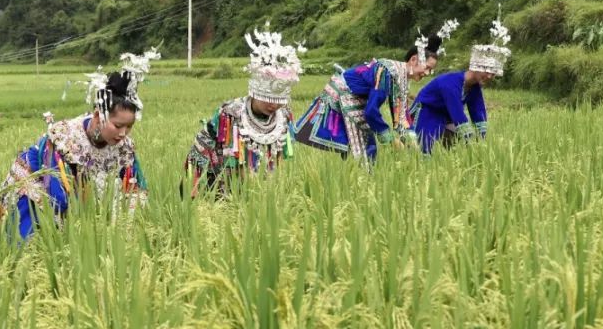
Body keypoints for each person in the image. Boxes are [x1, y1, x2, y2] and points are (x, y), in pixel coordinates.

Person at [0, 50, 158, 240]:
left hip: (77, 191)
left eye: (129, 126)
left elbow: (135, 186)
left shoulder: (124, 148)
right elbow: (56, 192)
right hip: (39, 180)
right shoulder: (65, 137)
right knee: (42, 224)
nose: (123, 133)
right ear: (98, 116)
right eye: (118, 125)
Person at [294, 21, 458, 161]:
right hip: (346, 93)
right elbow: (371, 112)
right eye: (427, 68)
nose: (427, 73)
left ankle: (357, 177)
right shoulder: (388, 71)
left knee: (365, 144)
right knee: (366, 146)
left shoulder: (402, 79)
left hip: (358, 97)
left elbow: (401, 116)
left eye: (431, 70)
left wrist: (414, 144)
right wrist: (391, 140)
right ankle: (359, 181)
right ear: (414, 59)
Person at [184, 25, 304, 195]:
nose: (273, 106)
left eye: (279, 101)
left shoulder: (284, 116)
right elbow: (217, 152)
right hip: (222, 178)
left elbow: (279, 157)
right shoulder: (231, 114)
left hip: (260, 182)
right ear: (254, 92)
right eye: (269, 99)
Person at [410, 13, 511, 153]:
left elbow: (478, 111)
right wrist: (471, 140)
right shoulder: (450, 83)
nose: (489, 76)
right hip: (427, 110)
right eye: (486, 72)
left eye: (492, 74)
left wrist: (482, 139)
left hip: (445, 115)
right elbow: (457, 112)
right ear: (475, 68)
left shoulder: (474, 86)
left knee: (458, 147)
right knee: (425, 150)